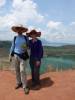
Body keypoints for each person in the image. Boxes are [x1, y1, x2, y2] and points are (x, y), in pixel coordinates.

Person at [9, 25, 29, 94]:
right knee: (17, 70)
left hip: (23, 56)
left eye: (20, 29)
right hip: (15, 55)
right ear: (16, 30)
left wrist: (26, 47)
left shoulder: (25, 38)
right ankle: (19, 83)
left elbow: (28, 47)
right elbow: (12, 47)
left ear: (22, 30)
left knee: (22, 70)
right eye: (18, 29)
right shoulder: (15, 38)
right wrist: (10, 56)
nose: (19, 31)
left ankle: (25, 86)